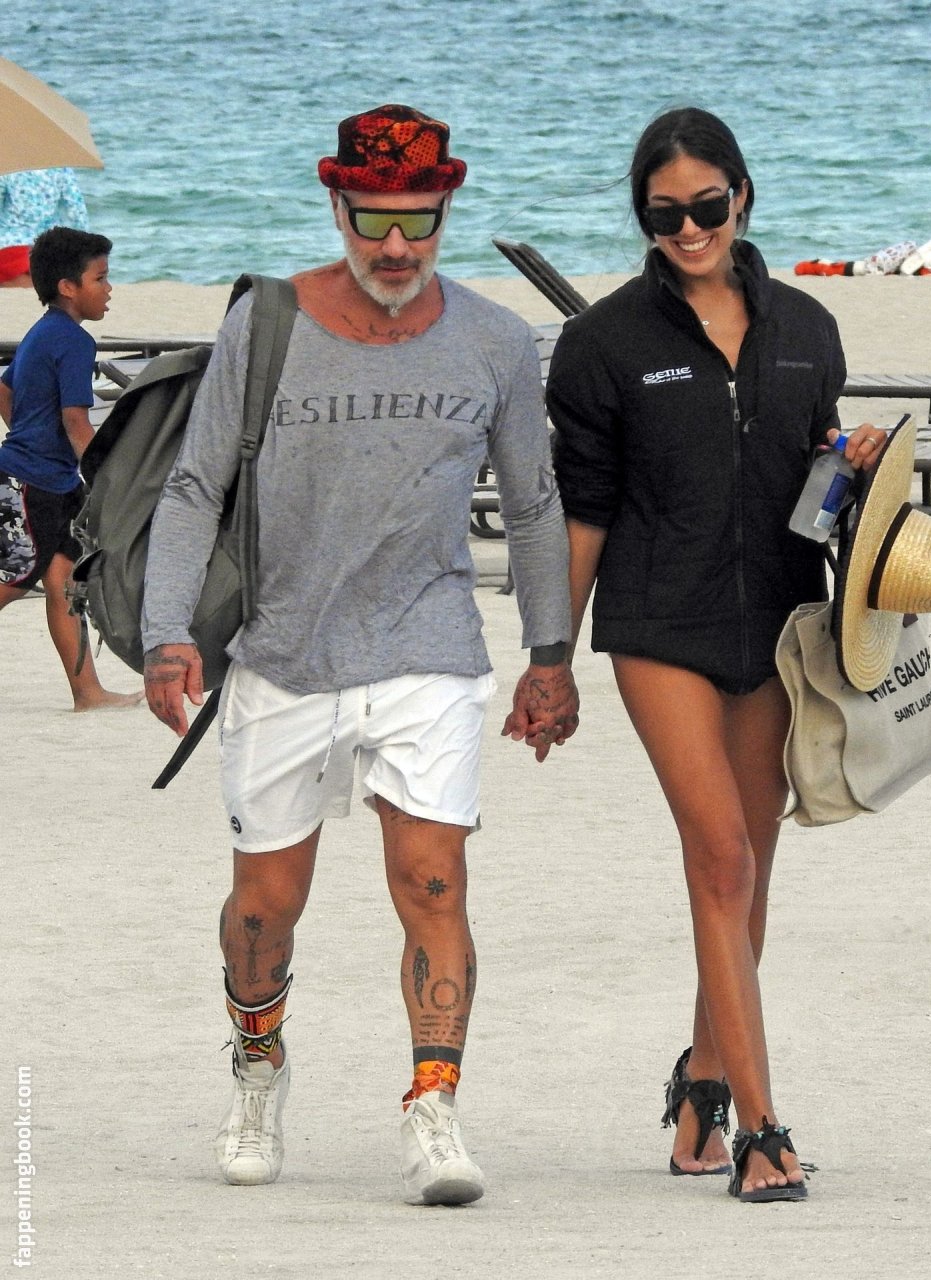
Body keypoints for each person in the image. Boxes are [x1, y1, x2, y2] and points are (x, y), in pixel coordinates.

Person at [140, 104, 579, 1203]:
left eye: (417, 220)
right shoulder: (266, 323)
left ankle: (433, 1108)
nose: (394, 245)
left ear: (446, 212)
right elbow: (194, 486)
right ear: (336, 206)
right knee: (262, 908)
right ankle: (258, 1064)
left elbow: (534, 503)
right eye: (373, 219)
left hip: (430, 646)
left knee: (433, 879)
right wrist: (165, 633)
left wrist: (550, 653)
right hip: (282, 652)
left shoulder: (494, 339)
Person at [545, 106, 888, 1203]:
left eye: (706, 206)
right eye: (664, 215)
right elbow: (585, 512)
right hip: (658, 622)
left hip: (778, 620)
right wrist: (551, 658)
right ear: (641, 217)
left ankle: (700, 1084)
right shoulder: (603, 344)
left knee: (749, 870)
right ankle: (761, 1127)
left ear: (742, 197)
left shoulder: (807, 328)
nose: (689, 229)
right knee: (721, 857)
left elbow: (812, 479)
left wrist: (851, 459)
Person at [0, 226, 143, 711]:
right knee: (14, 580)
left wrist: (29, 438)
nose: (109, 288)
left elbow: (4, 390)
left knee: (64, 582)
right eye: (100, 278)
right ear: (68, 286)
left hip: (50, 480)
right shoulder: (75, 341)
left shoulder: (43, 331)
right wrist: (106, 478)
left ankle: (88, 693)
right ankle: (88, 692)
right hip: (33, 484)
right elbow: (76, 420)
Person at [0, 169, 90, 288]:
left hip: (9, 247)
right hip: (47, 245)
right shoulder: (62, 169)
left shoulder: (9, 169)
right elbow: (77, 212)